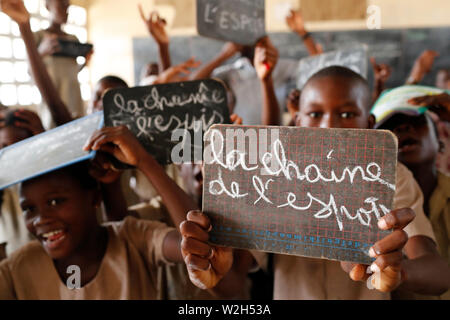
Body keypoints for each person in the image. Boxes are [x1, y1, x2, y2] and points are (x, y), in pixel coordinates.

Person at [180, 66, 450, 300]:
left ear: (369, 124)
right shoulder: (267, 178)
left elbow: (438, 274)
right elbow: (232, 281)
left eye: (346, 114)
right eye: (315, 114)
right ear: (297, 122)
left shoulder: (391, 176)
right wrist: (205, 271)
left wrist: (399, 272)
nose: (329, 127)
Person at [0, 125, 198, 299]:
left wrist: (144, 161)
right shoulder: (18, 269)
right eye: (29, 208)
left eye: (54, 201)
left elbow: (200, 247)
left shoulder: (133, 239)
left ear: (94, 197)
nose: (40, 219)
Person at [373, 88, 450, 299]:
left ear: (441, 142)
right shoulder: (368, 206)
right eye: (389, 128)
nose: (403, 128)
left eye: (417, 122)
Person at [33, 0, 91, 129]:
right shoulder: (38, 37)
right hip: (52, 96)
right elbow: (30, 71)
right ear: (48, 6)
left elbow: (73, 72)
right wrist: (41, 53)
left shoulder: (73, 39)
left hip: (73, 95)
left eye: (67, 7)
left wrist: (85, 62)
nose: (65, 11)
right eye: (61, 5)